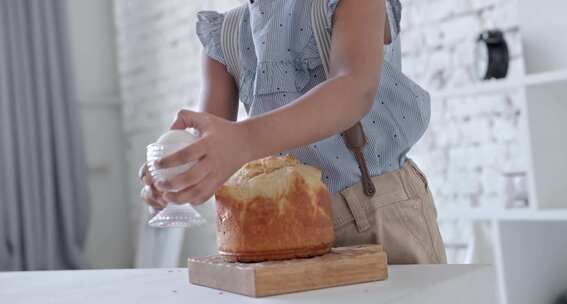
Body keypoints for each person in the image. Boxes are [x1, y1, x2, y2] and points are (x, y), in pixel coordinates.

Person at [139, 0, 446, 264]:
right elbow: (210, 150)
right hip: (281, 232)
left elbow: (354, 88)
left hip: (377, 218)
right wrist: (182, 176)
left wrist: (243, 141)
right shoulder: (226, 36)